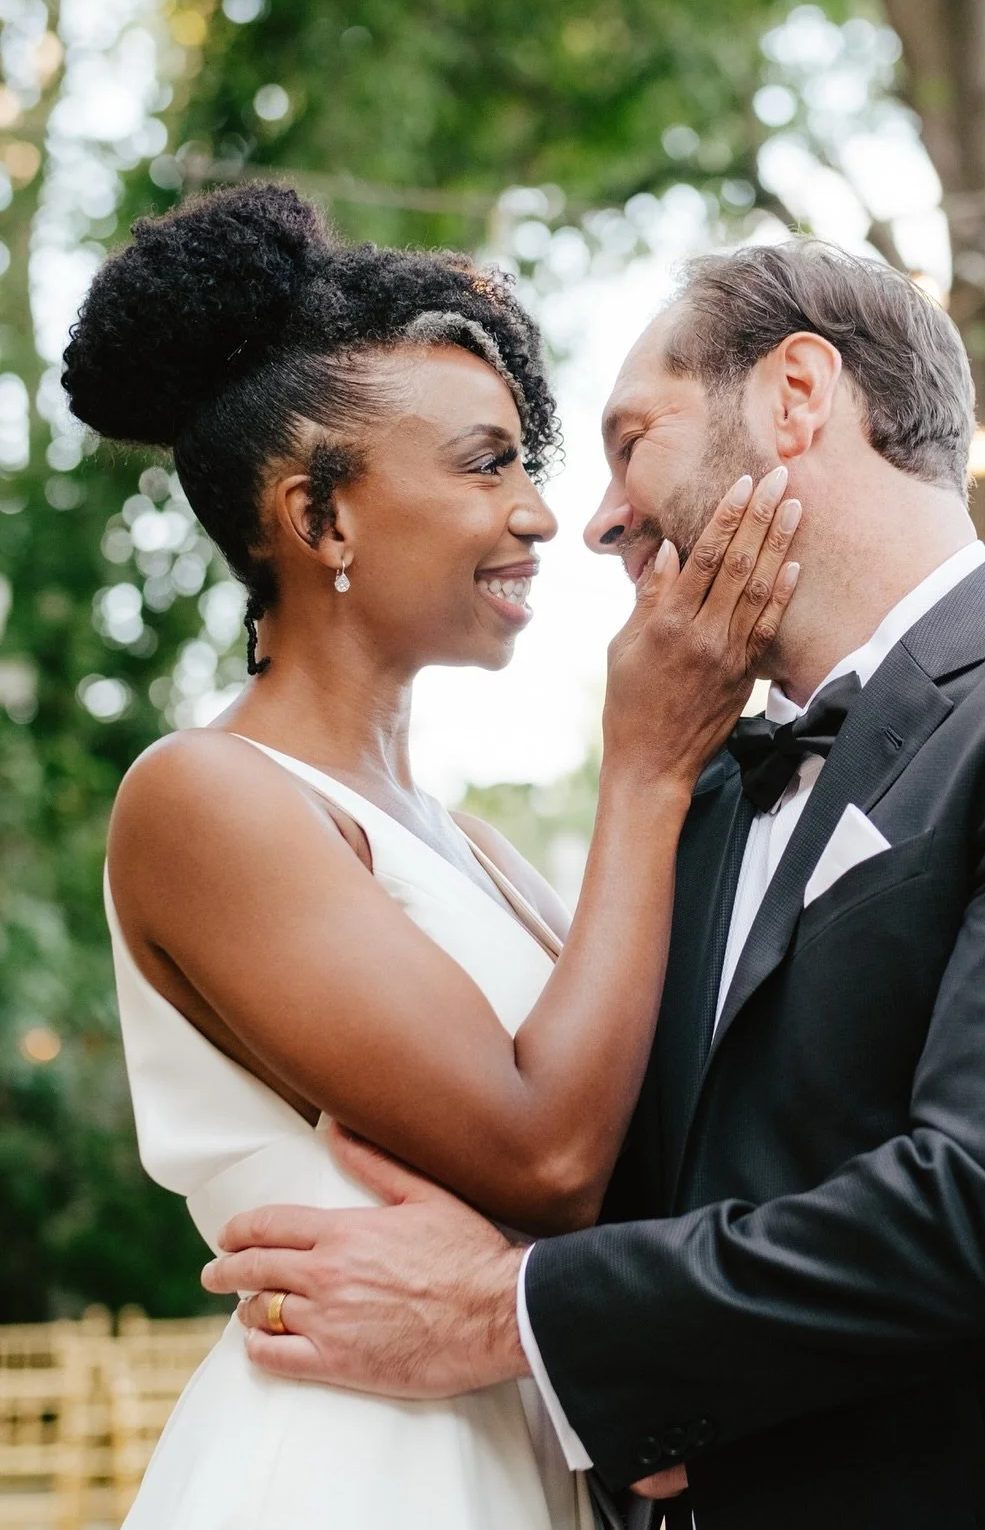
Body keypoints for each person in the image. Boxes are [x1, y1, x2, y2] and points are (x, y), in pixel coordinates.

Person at [204, 240, 985, 1530]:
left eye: (633, 443)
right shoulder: (701, 799)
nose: (603, 517)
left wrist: (503, 1311)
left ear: (798, 398)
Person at [61, 185, 802, 1530]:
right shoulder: (202, 797)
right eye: (482, 463)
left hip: (510, 1444)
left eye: (526, 460)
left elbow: (619, 1164)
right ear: (319, 519)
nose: (537, 512)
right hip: (355, 1465)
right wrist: (647, 763)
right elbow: (549, 1153)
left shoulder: (467, 846)